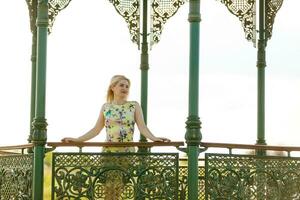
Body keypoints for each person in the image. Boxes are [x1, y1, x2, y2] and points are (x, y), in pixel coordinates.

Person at [61, 74, 170, 152]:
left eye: (127, 86)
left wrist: (154, 138)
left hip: (127, 152)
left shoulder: (134, 106)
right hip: (109, 152)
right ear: (113, 87)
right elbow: (96, 129)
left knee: (125, 185)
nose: (125, 88)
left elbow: (143, 127)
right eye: (121, 85)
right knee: (109, 185)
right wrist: (78, 139)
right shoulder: (106, 107)